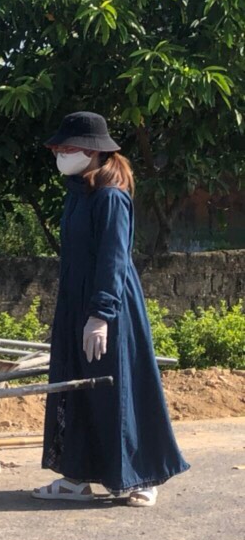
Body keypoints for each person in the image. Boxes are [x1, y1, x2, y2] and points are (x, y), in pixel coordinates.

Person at [33, 112, 189, 507]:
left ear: (90, 151)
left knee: (117, 389)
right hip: (75, 304)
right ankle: (76, 476)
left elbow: (114, 259)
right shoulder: (78, 193)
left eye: (66, 149)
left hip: (110, 307)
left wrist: (101, 314)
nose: (60, 155)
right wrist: (76, 311)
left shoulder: (111, 196)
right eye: (59, 149)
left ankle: (142, 477)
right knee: (75, 385)